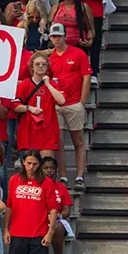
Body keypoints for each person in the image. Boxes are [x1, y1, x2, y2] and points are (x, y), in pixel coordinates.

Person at [4, 150, 59, 254]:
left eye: (34, 164)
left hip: (39, 233)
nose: (31, 167)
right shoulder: (14, 180)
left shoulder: (47, 183)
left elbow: (53, 209)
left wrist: (50, 232)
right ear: (23, 162)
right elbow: (9, 205)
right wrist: (6, 229)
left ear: (39, 164)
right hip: (18, 233)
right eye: (28, 163)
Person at [48, 22, 91, 192]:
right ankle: (64, 176)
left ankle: (80, 176)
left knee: (78, 141)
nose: (56, 39)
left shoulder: (78, 53)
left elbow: (86, 77)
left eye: (59, 36)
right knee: (58, 142)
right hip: (57, 104)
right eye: (54, 36)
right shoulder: (50, 57)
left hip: (73, 102)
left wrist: (82, 101)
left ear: (65, 36)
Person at [13, 52, 66, 156]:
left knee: (46, 164)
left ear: (47, 67)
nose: (41, 66)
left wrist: (48, 85)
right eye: (37, 64)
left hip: (46, 129)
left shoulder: (52, 84)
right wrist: (29, 108)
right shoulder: (25, 84)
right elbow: (15, 106)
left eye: (44, 64)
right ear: (32, 66)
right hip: (29, 129)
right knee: (30, 165)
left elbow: (61, 101)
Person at [41, 156, 74, 254]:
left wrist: (57, 216)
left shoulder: (60, 187)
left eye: (52, 168)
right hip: (39, 219)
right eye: (45, 168)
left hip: (57, 219)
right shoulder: (36, 186)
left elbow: (67, 210)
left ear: (56, 170)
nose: (49, 171)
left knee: (58, 226)